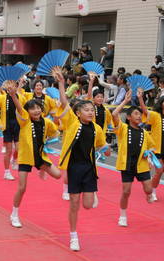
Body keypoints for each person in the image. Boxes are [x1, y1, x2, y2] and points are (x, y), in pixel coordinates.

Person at [55, 69, 109, 251]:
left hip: (89, 168)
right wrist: (62, 83)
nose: (91, 112)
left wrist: (107, 150)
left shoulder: (97, 129)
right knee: (74, 204)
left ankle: (92, 194)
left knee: (87, 205)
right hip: (73, 167)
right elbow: (64, 101)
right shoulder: (72, 122)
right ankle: (73, 236)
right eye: (86, 110)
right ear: (78, 113)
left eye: (92, 110)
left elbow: (102, 145)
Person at [6, 80, 61, 228]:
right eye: (33, 109)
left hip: (40, 157)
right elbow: (19, 108)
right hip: (25, 158)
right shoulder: (24, 121)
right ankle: (14, 214)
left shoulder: (46, 122)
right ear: (28, 112)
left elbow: (56, 132)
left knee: (58, 175)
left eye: (38, 108)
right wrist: (13, 95)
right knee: (22, 187)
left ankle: (42, 168)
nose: (36, 111)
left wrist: (56, 111)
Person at [112, 90, 155, 228]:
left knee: (149, 189)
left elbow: (152, 147)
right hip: (127, 165)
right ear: (129, 117)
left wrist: (149, 155)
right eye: (136, 114)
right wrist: (125, 101)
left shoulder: (144, 132)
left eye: (140, 114)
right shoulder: (123, 129)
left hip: (142, 165)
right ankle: (123, 215)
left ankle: (148, 194)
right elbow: (114, 114)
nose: (139, 116)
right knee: (126, 191)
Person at [138, 93, 164, 201]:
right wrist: (140, 98)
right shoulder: (156, 115)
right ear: (161, 104)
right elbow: (145, 111)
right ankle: (152, 191)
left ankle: (152, 179)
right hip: (157, 149)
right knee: (159, 171)